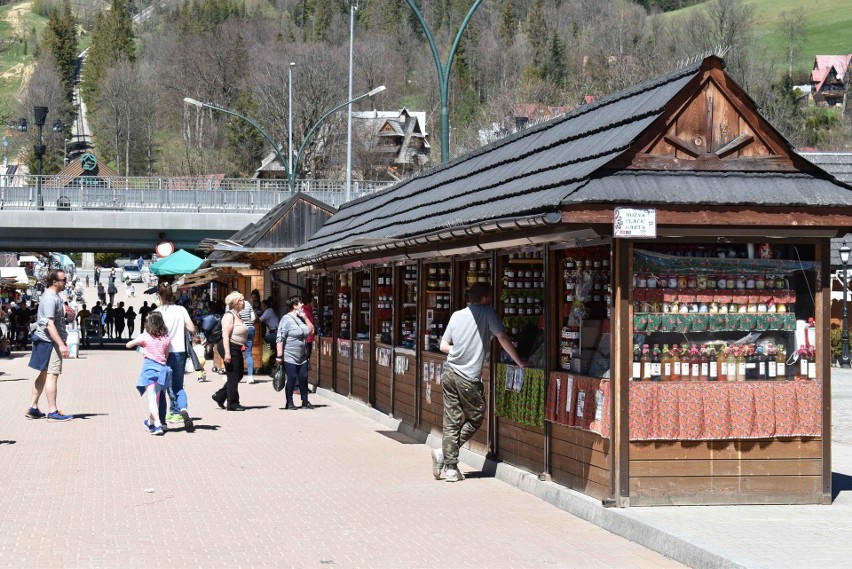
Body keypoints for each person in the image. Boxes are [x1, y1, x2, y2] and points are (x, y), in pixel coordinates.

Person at [433, 282, 527, 482]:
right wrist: (519, 362)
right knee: (475, 416)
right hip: (468, 377)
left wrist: (458, 351)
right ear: (485, 298)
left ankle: (448, 463)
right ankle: (446, 458)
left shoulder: (456, 315)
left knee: (451, 419)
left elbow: (443, 345)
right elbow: (502, 338)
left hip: (449, 372)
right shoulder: (487, 313)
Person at [25, 269, 73, 422]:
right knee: (52, 375)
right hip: (50, 342)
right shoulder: (50, 298)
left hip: (45, 341)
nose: (66, 282)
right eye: (63, 280)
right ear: (55, 282)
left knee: (44, 374)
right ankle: (52, 411)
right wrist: (61, 344)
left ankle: (33, 408)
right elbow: (49, 324)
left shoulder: (52, 297)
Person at [155, 282, 195, 431]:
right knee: (178, 386)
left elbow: (153, 333)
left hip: (162, 353)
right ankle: (183, 409)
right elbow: (192, 329)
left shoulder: (157, 312)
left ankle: (163, 422)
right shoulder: (181, 310)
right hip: (180, 352)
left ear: (159, 296)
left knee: (161, 388)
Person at [126, 312, 172, 436]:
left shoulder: (145, 336)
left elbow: (128, 344)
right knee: (156, 398)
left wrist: (141, 348)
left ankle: (157, 425)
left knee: (152, 399)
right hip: (162, 371)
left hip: (149, 371)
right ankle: (150, 422)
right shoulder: (166, 337)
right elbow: (166, 355)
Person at [276, 295, 315, 410]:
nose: (302, 305)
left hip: (302, 355)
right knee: (292, 377)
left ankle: (305, 401)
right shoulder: (286, 319)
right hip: (289, 355)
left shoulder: (300, 318)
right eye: (300, 303)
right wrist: (279, 355)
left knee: (303, 377)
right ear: (294, 306)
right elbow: (280, 338)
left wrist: (306, 318)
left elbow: (311, 330)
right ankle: (289, 402)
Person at [212, 291, 248, 411]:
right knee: (233, 375)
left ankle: (220, 396)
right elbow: (225, 335)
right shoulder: (229, 316)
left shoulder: (238, 315)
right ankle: (232, 403)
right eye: (241, 300)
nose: (244, 302)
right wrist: (227, 353)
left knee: (239, 375)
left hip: (236, 346)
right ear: (236, 303)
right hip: (229, 346)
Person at [239, 297, 258, 382]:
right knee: (248, 353)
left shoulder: (232, 303)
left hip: (240, 330)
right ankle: (250, 376)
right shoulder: (247, 303)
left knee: (236, 353)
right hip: (250, 328)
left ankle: (236, 375)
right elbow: (253, 318)